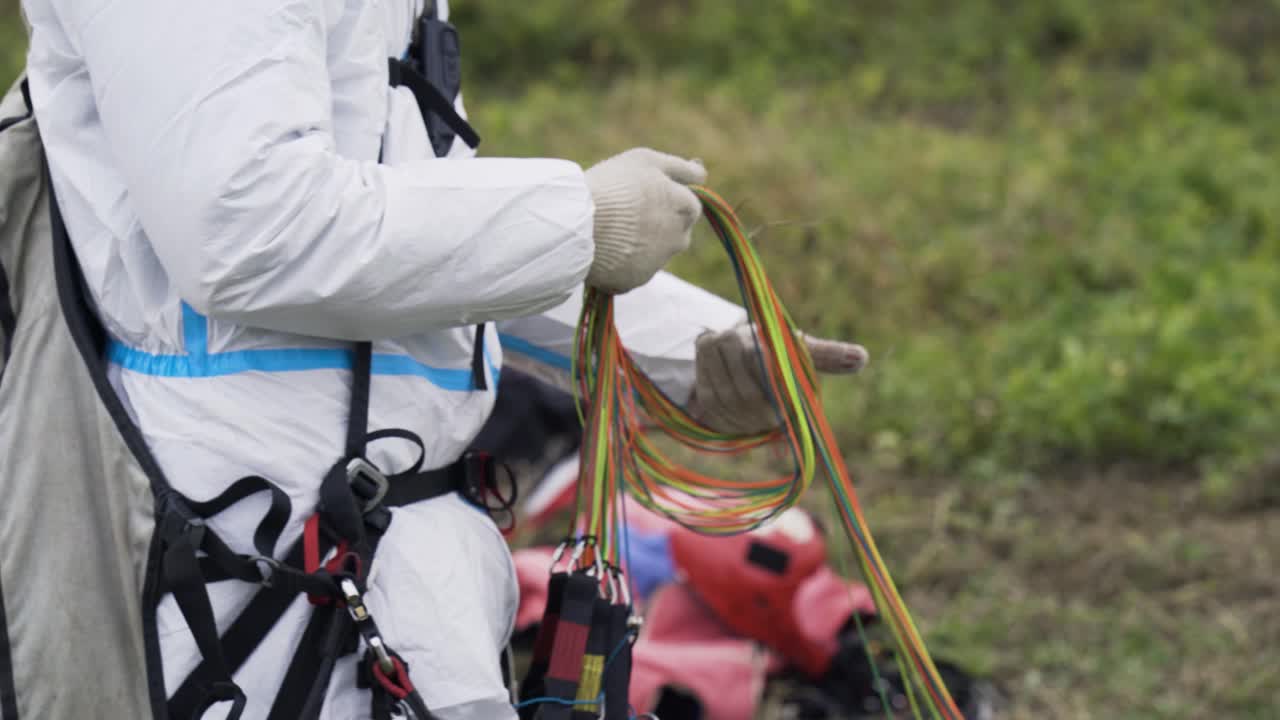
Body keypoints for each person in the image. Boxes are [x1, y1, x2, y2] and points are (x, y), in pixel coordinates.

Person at [20, 1, 868, 717]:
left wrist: (683, 350)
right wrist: (581, 222)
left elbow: (406, 219)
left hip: (404, 576)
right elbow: (246, 228)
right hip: (246, 591)